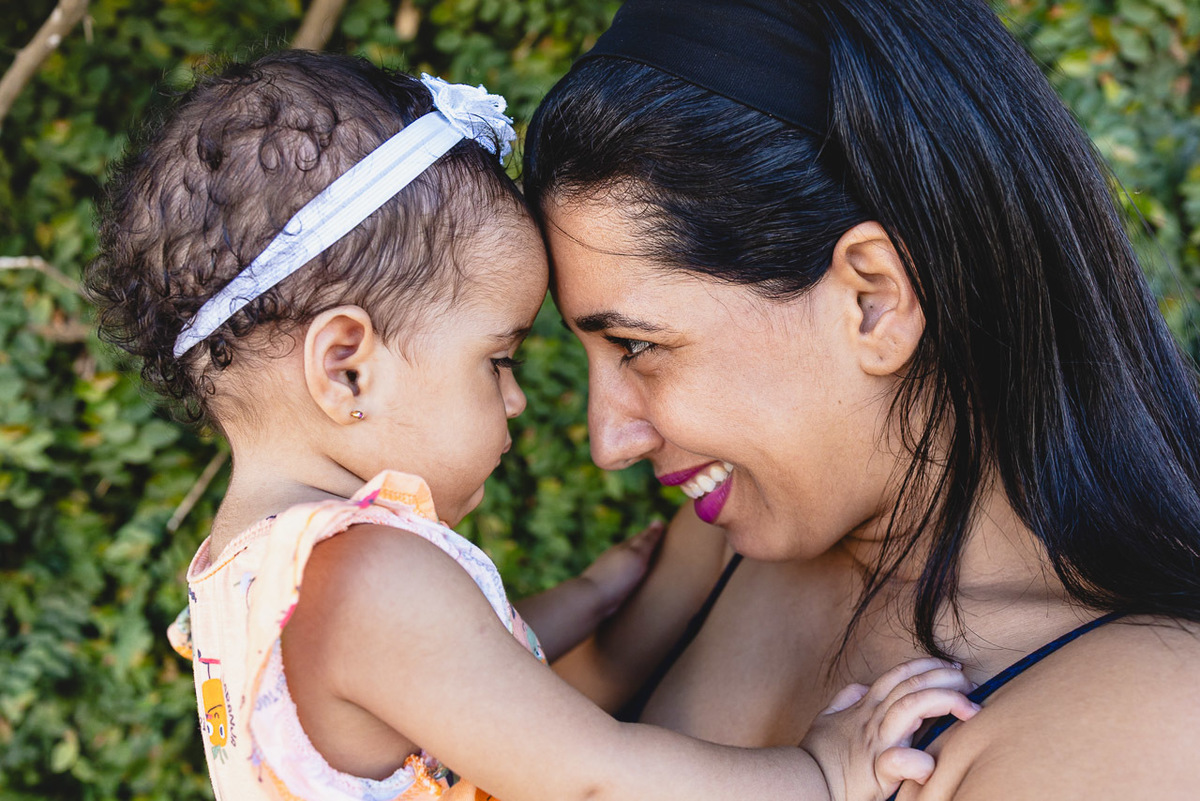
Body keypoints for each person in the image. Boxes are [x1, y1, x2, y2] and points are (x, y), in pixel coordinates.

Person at [85, 50, 977, 801]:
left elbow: (455, 681)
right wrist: (819, 771)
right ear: (346, 365)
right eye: (498, 360)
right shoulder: (357, 572)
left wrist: (586, 598)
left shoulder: (244, 575)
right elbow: (593, 778)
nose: (517, 401)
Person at [524, 0, 1200, 796]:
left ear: (873, 300)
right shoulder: (726, 541)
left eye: (639, 346)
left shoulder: (1140, 725)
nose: (611, 439)